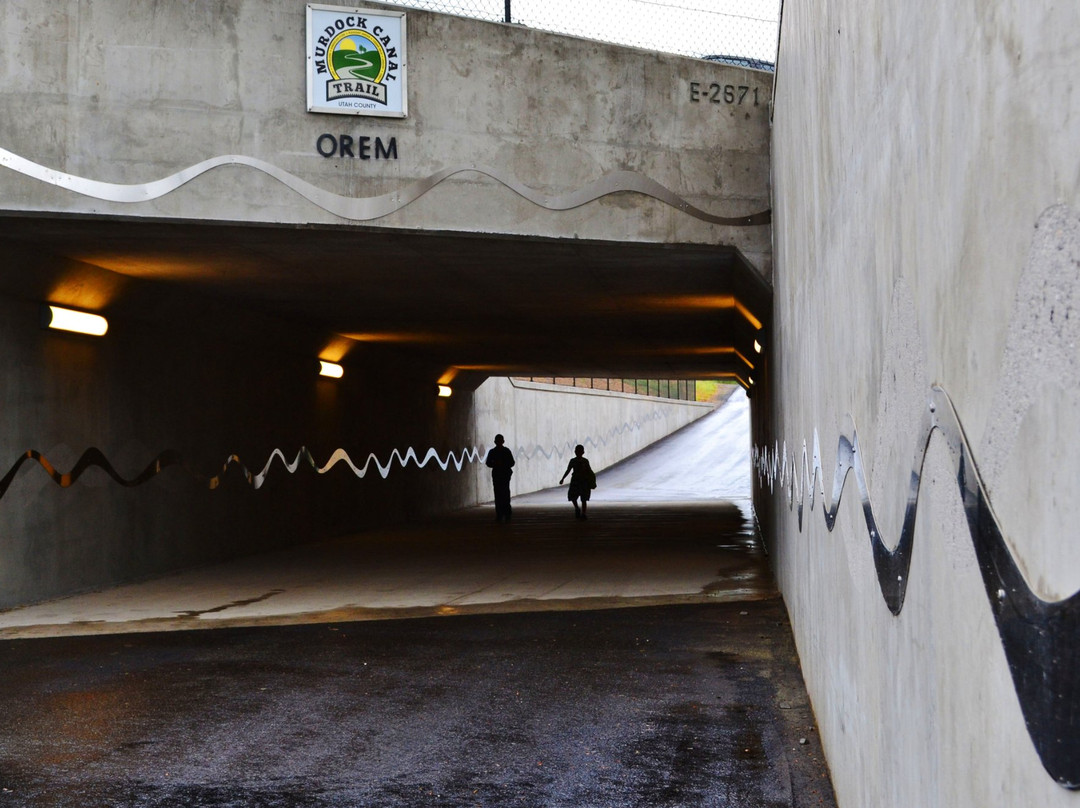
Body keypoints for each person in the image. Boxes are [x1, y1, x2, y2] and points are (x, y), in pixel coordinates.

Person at [559, 444, 595, 520]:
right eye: (577, 451)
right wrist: (563, 478)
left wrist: (592, 480)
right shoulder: (573, 461)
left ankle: (583, 513)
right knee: (573, 496)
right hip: (576, 481)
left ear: (582, 452)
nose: (577, 453)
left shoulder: (585, 461)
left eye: (579, 451)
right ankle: (577, 508)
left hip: (583, 481)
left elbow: (589, 471)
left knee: (583, 498)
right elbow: (568, 470)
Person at [485, 434, 515, 522]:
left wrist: (496, 464)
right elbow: (512, 463)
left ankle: (500, 515)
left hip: (497, 475)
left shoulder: (492, 452)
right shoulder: (506, 451)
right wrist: (504, 464)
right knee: (505, 494)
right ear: (503, 441)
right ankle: (507, 514)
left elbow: (488, 463)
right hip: (504, 475)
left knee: (498, 495)